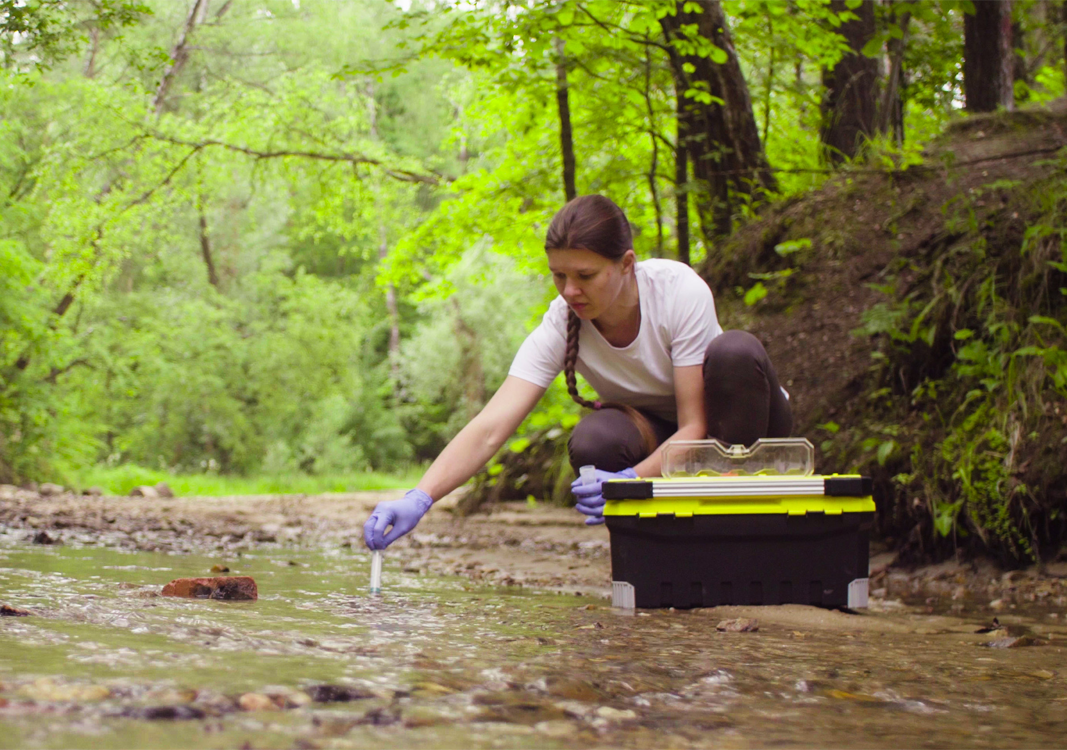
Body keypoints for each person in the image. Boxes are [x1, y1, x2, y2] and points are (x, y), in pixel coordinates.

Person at [363, 194, 792, 549]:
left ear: (626, 264)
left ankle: (747, 539)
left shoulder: (677, 290)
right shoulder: (561, 321)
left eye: (585, 275)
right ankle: (656, 557)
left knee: (735, 351)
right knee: (595, 439)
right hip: (661, 435)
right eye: (559, 276)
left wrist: (628, 481)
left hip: (737, 427)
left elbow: (696, 427)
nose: (570, 290)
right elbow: (491, 427)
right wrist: (421, 497)